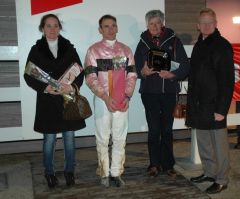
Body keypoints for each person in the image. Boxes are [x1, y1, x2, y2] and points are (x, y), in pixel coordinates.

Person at [24, 14, 86, 188]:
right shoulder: (35, 50)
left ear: (60, 27)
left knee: (69, 138)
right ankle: (49, 173)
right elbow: (28, 75)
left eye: (55, 26)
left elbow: (79, 72)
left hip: (67, 100)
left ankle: (69, 171)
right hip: (47, 101)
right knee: (49, 140)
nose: (52, 29)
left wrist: (71, 87)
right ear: (42, 28)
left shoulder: (69, 48)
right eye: (48, 26)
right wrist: (45, 88)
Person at [134, 10, 190, 178]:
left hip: (168, 92)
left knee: (166, 129)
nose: (155, 26)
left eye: (157, 23)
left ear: (162, 23)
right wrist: (143, 72)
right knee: (153, 129)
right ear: (147, 25)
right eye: (151, 23)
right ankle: (154, 164)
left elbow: (185, 66)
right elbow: (136, 67)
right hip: (149, 93)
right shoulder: (142, 43)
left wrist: (172, 75)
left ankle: (168, 164)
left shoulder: (174, 41)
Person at [84, 14, 137, 187]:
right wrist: (105, 97)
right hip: (102, 100)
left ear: (117, 28)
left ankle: (116, 172)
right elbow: (91, 78)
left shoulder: (126, 50)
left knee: (120, 137)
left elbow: (132, 75)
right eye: (106, 26)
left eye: (113, 25)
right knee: (103, 137)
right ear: (100, 29)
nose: (110, 29)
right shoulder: (93, 51)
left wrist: (127, 96)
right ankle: (104, 173)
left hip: (122, 100)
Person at [185, 8, 235, 194]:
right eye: (203, 22)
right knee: (204, 142)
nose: (206, 25)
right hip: (200, 105)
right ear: (198, 26)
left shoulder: (222, 46)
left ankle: (222, 179)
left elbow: (227, 80)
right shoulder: (199, 45)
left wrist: (222, 109)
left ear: (215, 24)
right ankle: (209, 172)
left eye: (210, 22)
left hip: (215, 105)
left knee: (219, 145)